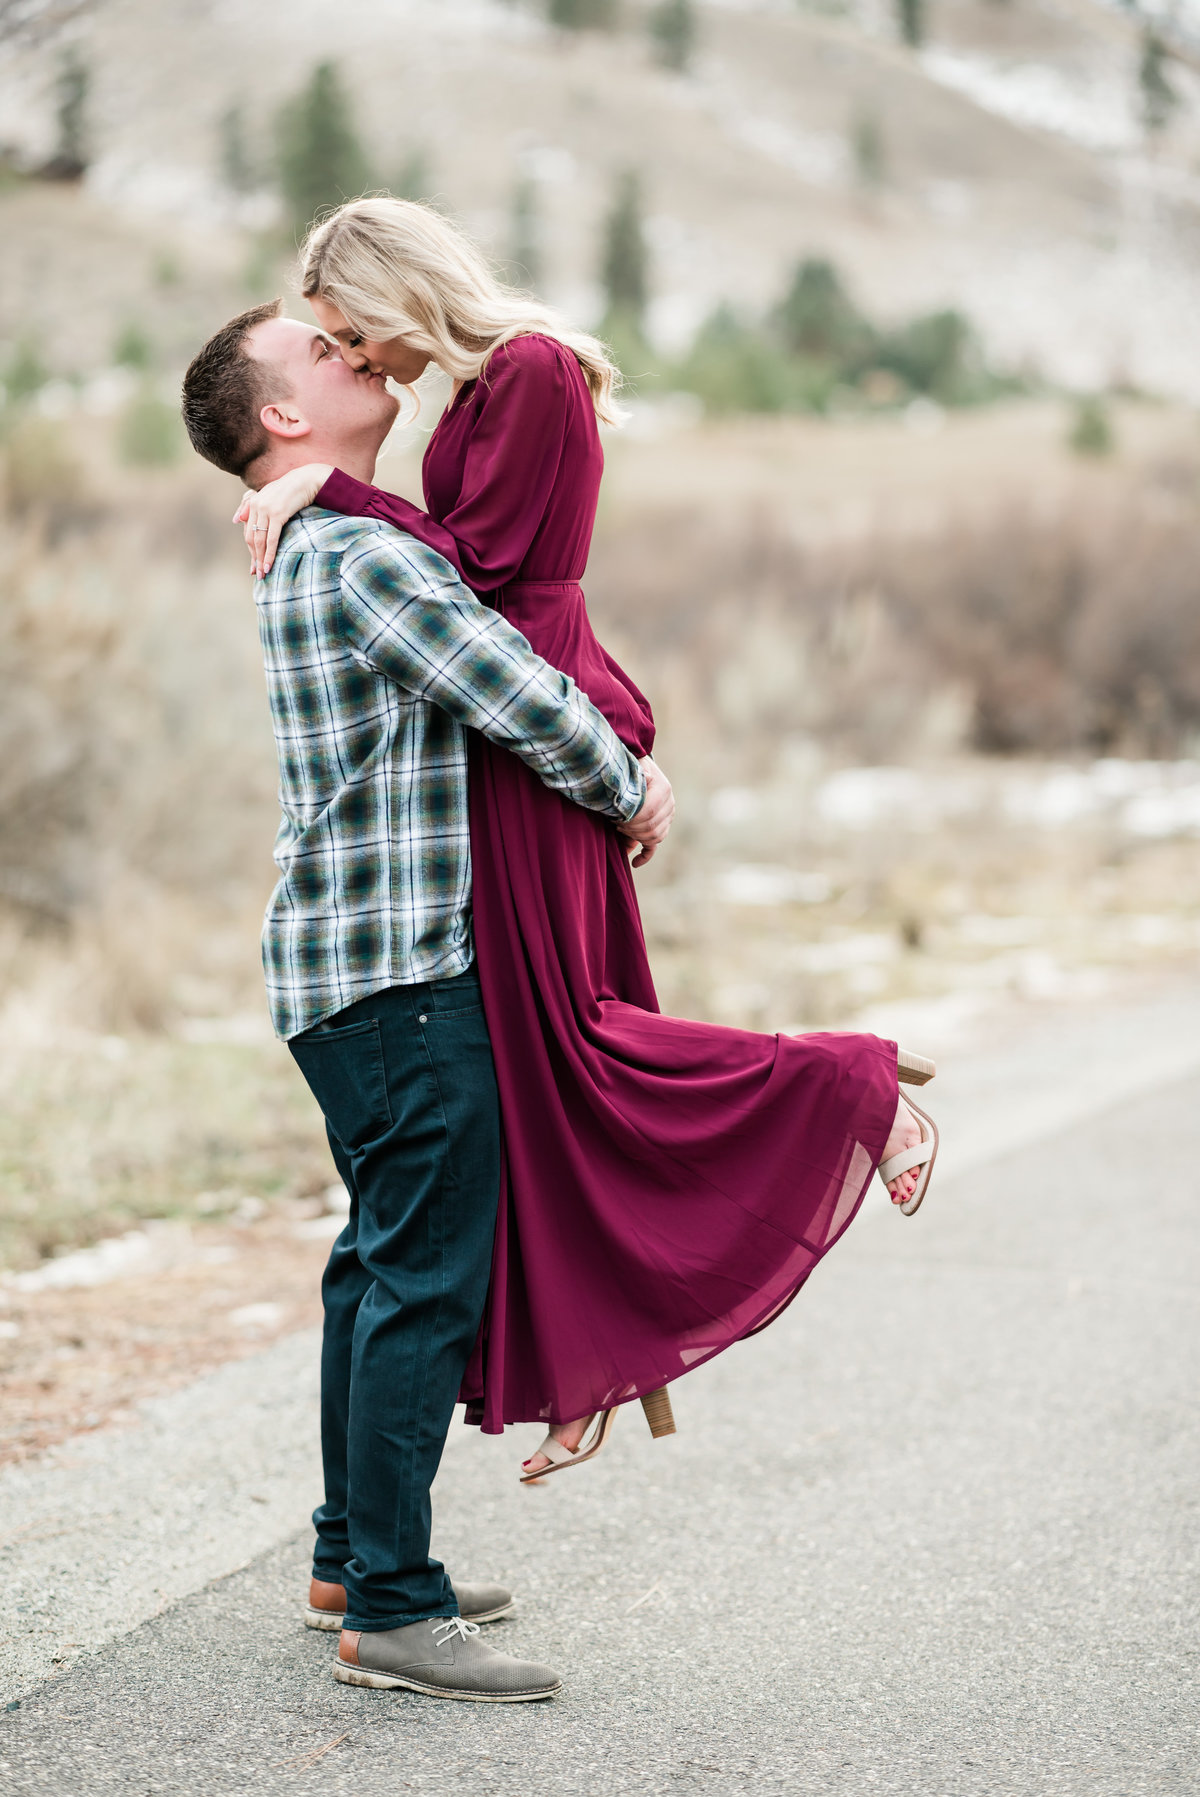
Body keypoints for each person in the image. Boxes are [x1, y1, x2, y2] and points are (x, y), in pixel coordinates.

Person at [238, 198, 938, 1482]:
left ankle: (850, 1085)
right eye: (329, 349)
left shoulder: (533, 372)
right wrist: (324, 489)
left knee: (574, 1031)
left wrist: (323, 486)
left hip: (539, 732)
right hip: (511, 738)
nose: (355, 360)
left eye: (350, 331)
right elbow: (462, 581)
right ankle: (586, 1356)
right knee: (535, 1066)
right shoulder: (468, 401)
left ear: (399, 291)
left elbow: (476, 572)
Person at [181, 299, 674, 1701]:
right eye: (323, 353)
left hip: (346, 978)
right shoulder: (355, 559)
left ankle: (353, 1553)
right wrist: (635, 786)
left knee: (375, 1264)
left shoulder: (330, 536)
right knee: (419, 1277)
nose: (354, 356)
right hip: (403, 982)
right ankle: (393, 1609)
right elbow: (519, 693)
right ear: (282, 417)